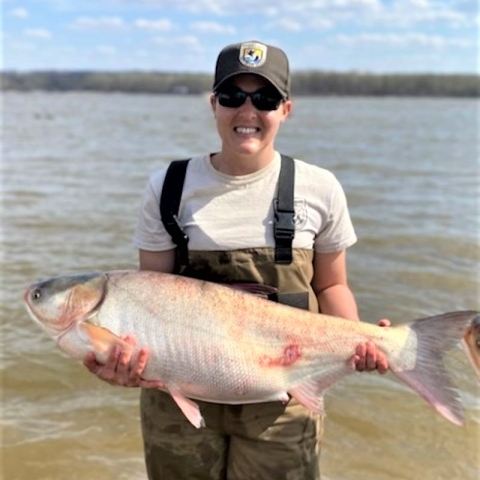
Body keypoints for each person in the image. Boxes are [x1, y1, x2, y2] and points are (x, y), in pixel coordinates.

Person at [84, 40, 389, 480]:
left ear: (286, 109)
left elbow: (331, 286)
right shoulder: (168, 187)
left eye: (264, 98)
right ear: (213, 104)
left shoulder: (319, 188)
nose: (247, 111)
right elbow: (150, 300)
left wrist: (360, 342)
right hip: (177, 401)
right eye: (232, 97)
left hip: (284, 402)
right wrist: (120, 362)